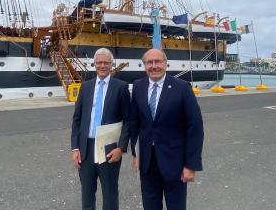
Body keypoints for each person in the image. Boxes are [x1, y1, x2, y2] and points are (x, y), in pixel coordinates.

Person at [130, 49, 204, 210]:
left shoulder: (182, 88)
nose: (154, 66)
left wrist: (191, 165)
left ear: (165, 64)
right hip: (147, 163)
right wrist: (136, 155)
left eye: (158, 61)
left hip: (175, 163)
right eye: (150, 62)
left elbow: (195, 127)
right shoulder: (138, 86)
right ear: (144, 66)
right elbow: (134, 123)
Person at [71, 48, 130, 210]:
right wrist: (75, 148)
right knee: (87, 192)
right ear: (95, 64)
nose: (102, 66)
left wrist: (121, 148)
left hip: (109, 148)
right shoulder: (86, 87)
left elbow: (128, 120)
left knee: (110, 193)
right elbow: (77, 119)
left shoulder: (121, 87)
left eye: (106, 63)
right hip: (86, 148)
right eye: (99, 63)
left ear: (111, 64)